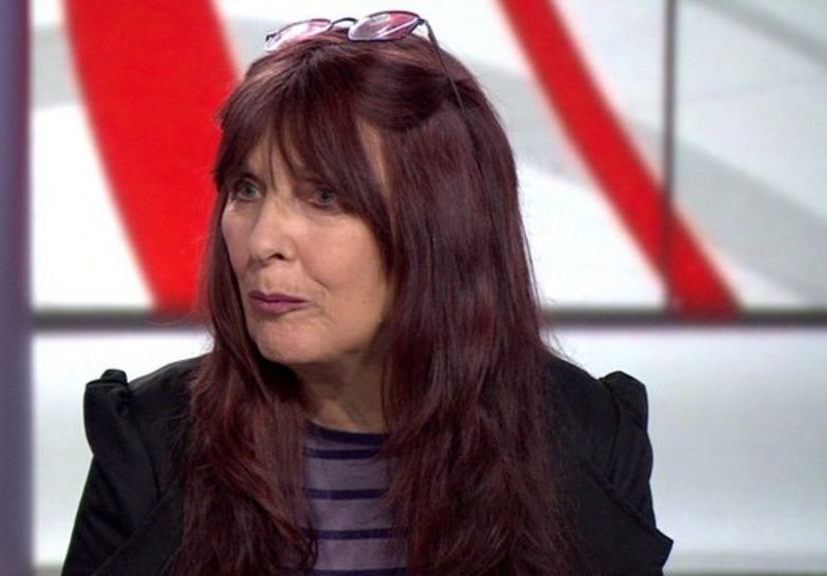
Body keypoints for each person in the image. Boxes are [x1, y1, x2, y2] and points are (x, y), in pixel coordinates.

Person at [62, 11, 673, 576]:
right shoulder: (150, 447)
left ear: (440, 228)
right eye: (247, 189)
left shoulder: (585, 441)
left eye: (324, 197)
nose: (263, 240)